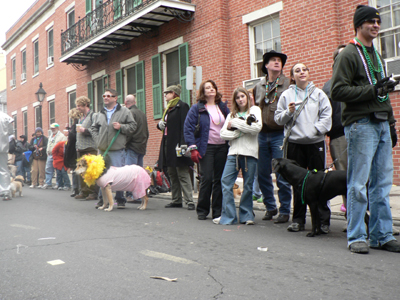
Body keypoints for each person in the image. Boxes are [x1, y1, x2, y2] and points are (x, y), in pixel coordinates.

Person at [331, 5, 400, 254]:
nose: (376, 25)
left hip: (381, 123)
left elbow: (383, 94)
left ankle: (381, 234)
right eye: (371, 21)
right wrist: (374, 90)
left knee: (382, 184)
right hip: (361, 124)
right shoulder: (348, 54)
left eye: (378, 21)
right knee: (358, 184)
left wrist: (391, 124)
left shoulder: (377, 55)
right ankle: (356, 235)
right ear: (359, 25)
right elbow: (337, 91)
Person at [274, 62, 332, 233]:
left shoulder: (319, 94)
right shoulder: (286, 95)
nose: (301, 73)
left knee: (320, 183)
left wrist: (315, 131)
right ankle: (298, 220)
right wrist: (288, 112)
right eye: (297, 71)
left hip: (315, 144)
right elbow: (278, 119)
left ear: (308, 73)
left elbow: (327, 117)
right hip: (295, 144)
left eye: (304, 70)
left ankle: (322, 221)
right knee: (298, 185)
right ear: (292, 76)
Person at [253, 50, 292, 223]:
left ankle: (284, 209)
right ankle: (270, 207)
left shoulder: (288, 83)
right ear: (266, 65)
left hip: (279, 134)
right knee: (262, 174)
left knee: (282, 173)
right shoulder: (258, 86)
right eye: (273, 60)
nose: (277, 63)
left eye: (279, 61)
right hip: (262, 134)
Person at [213, 87, 262, 225]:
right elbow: (223, 134)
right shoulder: (231, 114)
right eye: (238, 97)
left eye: (243, 96)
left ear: (247, 97)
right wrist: (241, 131)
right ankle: (228, 216)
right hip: (233, 154)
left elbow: (256, 128)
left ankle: (247, 216)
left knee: (248, 185)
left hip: (250, 153)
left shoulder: (255, 111)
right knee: (226, 182)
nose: (241, 99)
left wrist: (234, 125)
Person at [184, 80, 230, 220]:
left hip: (222, 147)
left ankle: (217, 211)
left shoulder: (222, 107)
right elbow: (188, 128)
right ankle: (202, 210)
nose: (211, 89)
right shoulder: (197, 108)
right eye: (207, 88)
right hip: (206, 148)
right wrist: (193, 148)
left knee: (219, 179)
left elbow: (230, 123)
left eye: (213, 87)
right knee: (207, 178)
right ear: (203, 92)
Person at [90, 88, 136, 209]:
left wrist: (122, 126)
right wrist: (97, 139)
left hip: (117, 149)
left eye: (109, 96)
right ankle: (102, 200)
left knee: (118, 175)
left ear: (115, 98)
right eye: (104, 95)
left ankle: (120, 199)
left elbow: (133, 126)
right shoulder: (100, 113)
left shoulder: (124, 111)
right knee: (101, 174)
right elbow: (94, 128)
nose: (105, 97)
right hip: (102, 149)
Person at [156, 85, 194, 210]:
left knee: (182, 172)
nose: (165, 95)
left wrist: (184, 143)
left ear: (174, 93)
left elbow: (185, 126)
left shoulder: (182, 106)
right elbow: (166, 125)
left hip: (178, 143)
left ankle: (189, 201)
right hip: (168, 142)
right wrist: (159, 125)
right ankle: (176, 199)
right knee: (172, 172)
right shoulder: (168, 108)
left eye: (167, 93)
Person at [322, 45, 348, 215]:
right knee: (345, 177)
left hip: (364, 132)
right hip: (340, 136)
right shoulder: (329, 87)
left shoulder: (361, 78)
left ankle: (377, 220)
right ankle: (353, 217)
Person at [124, 94, 149, 203]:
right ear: (135, 102)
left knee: (131, 173)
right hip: (141, 146)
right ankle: (139, 195)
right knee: (139, 173)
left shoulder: (130, 113)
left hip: (132, 146)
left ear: (126, 103)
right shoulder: (142, 113)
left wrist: (124, 143)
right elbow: (146, 132)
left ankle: (131, 194)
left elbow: (130, 131)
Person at [75, 96, 99, 200]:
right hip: (80, 148)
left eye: (79, 105)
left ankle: (92, 192)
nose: (77, 108)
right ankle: (84, 191)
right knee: (82, 171)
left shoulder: (93, 115)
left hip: (90, 148)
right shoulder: (81, 117)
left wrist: (85, 130)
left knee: (90, 171)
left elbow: (95, 130)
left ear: (85, 105)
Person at [42, 123, 67, 189]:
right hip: (50, 154)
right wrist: (47, 151)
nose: (53, 129)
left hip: (57, 156)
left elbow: (63, 146)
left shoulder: (62, 136)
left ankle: (58, 184)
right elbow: (48, 144)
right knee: (48, 169)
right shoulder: (51, 136)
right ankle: (48, 183)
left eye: (54, 128)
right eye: (52, 128)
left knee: (58, 170)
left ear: (58, 128)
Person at [64, 108, 81, 196]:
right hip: (72, 149)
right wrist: (68, 128)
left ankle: (76, 189)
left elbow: (75, 136)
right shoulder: (74, 124)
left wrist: (69, 133)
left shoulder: (78, 123)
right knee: (74, 170)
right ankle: (75, 188)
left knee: (76, 169)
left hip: (75, 149)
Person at [0, 111, 14, 200]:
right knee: (4, 169)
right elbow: (11, 131)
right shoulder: (5, 116)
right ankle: (5, 191)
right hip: (2, 147)